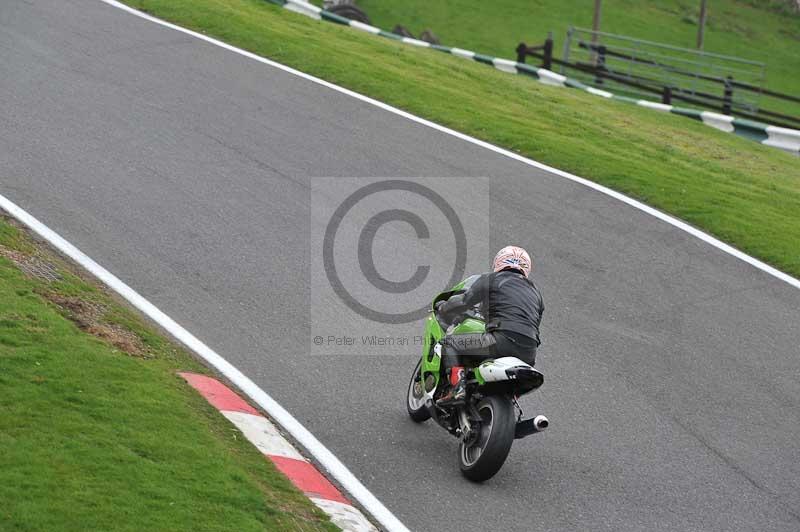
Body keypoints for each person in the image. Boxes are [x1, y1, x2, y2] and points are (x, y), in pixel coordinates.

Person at [435, 245, 544, 404]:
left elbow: (465, 301)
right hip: (529, 353)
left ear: (498, 262)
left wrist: (443, 307)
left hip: (500, 340)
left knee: (449, 343)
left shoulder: (492, 279)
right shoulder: (536, 293)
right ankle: (508, 403)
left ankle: (457, 388)